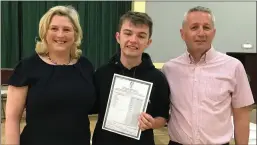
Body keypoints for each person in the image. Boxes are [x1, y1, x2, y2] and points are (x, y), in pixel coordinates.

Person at [162, 6, 255, 145]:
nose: (201, 33)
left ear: (213, 32)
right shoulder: (169, 69)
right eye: (194, 27)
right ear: (182, 34)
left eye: (206, 27)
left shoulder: (233, 67)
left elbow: (241, 116)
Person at [5, 5, 96, 145]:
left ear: (76, 34)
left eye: (66, 29)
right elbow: (12, 119)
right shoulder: (27, 68)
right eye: (54, 28)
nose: (60, 35)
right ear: (44, 32)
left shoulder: (86, 66)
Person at [91, 11, 170, 145]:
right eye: (128, 33)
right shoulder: (101, 74)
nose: (133, 40)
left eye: (141, 36)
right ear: (118, 37)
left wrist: (152, 123)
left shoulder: (158, 78)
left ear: (148, 42)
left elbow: (162, 117)